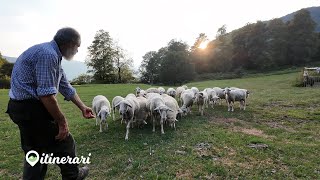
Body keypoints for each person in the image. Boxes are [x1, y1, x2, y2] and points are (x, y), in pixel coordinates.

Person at [6, 27, 95, 180]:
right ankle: (73, 175)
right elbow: (46, 95)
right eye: (77, 47)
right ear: (69, 43)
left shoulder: (51, 54)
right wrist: (62, 121)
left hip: (19, 108)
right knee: (65, 142)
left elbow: (65, 85)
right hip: (31, 109)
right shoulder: (48, 55)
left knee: (35, 151)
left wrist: (82, 107)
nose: (77, 51)